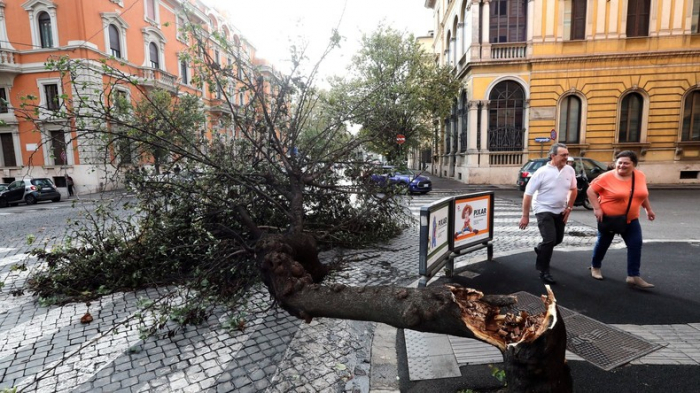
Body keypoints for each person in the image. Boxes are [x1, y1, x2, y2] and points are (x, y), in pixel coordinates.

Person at [586, 150, 656, 288]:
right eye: (619, 162)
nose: (622, 166)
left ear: (634, 165)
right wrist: (597, 208)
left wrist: (648, 209)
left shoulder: (639, 176)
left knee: (635, 245)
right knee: (603, 243)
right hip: (610, 218)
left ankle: (633, 276)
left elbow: (641, 194)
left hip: (632, 219)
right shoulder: (606, 177)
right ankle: (595, 267)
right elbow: (590, 191)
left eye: (626, 163)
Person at [519, 143, 577, 284]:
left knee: (558, 240)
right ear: (552, 156)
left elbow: (573, 189)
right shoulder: (541, 172)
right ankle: (543, 271)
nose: (566, 157)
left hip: (560, 209)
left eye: (567, 154)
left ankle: (541, 249)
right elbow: (528, 194)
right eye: (563, 155)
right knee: (550, 240)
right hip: (543, 209)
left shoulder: (569, 170)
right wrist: (525, 216)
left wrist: (569, 207)